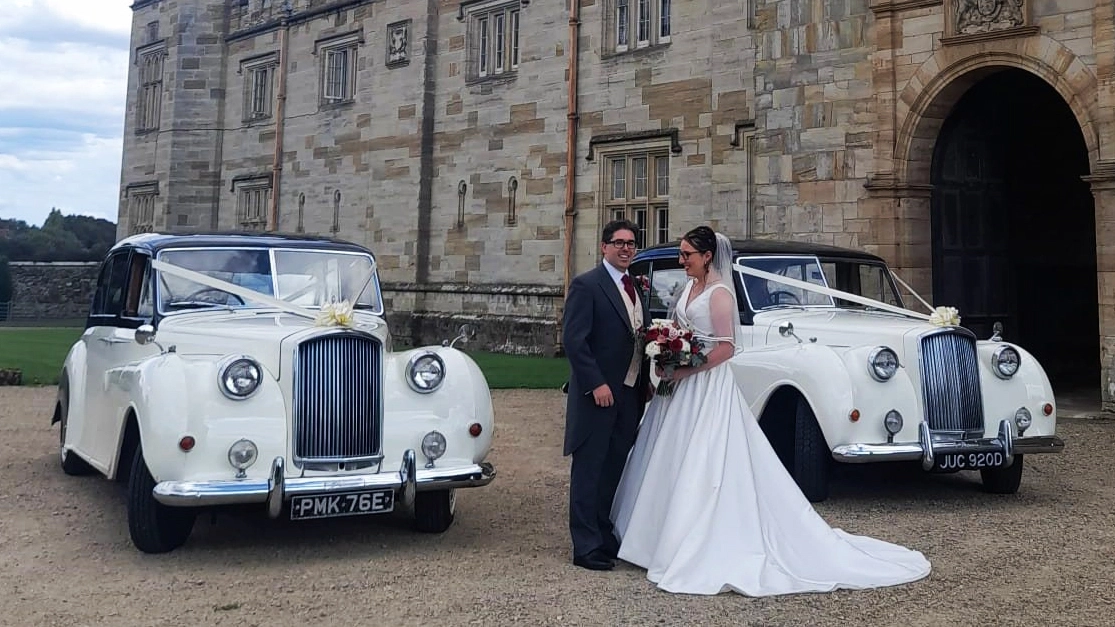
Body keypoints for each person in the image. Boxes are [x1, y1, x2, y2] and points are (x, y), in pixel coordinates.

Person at [610, 226, 932, 595]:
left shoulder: (719, 293)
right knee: (667, 455)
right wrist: (667, 352)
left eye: (687, 255)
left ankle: (693, 539)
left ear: (708, 256)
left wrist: (684, 367)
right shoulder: (688, 288)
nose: (682, 261)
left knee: (707, 458)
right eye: (682, 255)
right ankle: (650, 535)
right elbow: (680, 329)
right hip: (680, 387)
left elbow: (727, 348)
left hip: (705, 384)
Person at [562, 219, 651, 571]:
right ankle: (584, 547)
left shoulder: (637, 288)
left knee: (614, 466)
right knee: (589, 469)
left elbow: (638, 337)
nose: (626, 248)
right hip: (596, 395)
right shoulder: (587, 285)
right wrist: (595, 383)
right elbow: (575, 340)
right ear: (604, 247)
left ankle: (603, 535)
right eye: (619, 243)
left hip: (629, 395)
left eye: (631, 243)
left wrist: (644, 380)